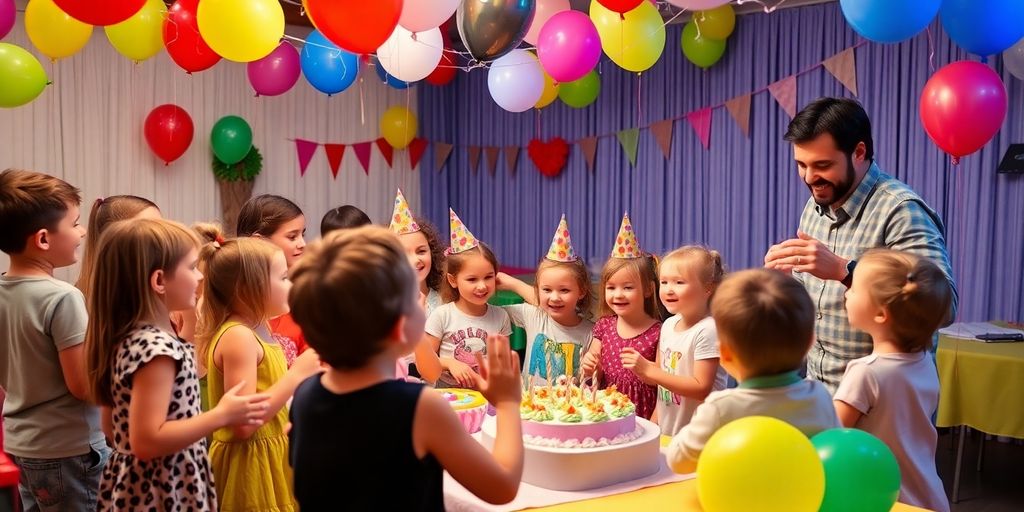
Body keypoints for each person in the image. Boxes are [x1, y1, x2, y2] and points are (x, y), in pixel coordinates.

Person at [288, 226, 524, 509]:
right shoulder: (420, 407)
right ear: (400, 328)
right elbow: (502, 487)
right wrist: (509, 403)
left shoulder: (304, 397)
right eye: (416, 300)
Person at [763, 97, 956, 393]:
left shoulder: (901, 210)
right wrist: (786, 286)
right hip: (822, 395)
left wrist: (846, 270)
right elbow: (817, 305)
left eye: (823, 165)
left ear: (859, 152)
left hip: (885, 403)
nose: (810, 177)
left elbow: (942, 308)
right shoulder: (815, 205)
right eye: (801, 165)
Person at [84, 219, 269, 510]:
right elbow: (146, 440)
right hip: (164, 488)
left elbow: (110, 426)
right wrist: (221, 414)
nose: (199, 278)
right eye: (192, 267)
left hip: (138, 483)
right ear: (159, 281)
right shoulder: (157, 350)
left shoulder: (127, 339)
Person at [0, 168, 107, 511]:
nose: (83, 231)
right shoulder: (62, 297)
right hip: (69, 449)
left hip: (23, 444)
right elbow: (83, 386)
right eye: (75, 223)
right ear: (43, 239)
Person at [666, 269, 839, 474]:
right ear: (811, 342)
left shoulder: (720, 408)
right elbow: (831, 452)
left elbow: (678, 461)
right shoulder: (819, 396)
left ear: (725, 354)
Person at [196, 233, 322, 512]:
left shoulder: (259, 326)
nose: (290, 286)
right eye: (283, 278)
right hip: (250, 465)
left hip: (272, 455)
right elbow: (242, 424)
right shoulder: (238, 336)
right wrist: (295, 376)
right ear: (247, 289)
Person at [834, 249, 952, 512]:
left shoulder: (866, 372)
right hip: (930, 497)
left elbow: (829, 431)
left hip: (889, 500)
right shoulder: (924, 361)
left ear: (880, 314)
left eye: (854, 289)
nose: (846, 293)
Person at [623, 246, 729, 436]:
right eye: (664, 282)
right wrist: (653, 427)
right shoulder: (668, 325)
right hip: (669, 432)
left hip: (701, 436)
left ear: (708, 288)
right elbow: (661, 378)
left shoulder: (708, 329)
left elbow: (700, 388)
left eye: (679, 282)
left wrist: (648, 370)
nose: (669, 290)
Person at [580, 213, 662, 420]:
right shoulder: (604, 326)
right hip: (606, 414)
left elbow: (663, 382)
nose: (618, 295)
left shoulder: (660, 332)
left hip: (642, 416)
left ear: (648, 289)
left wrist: (645, 370)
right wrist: (591, 367)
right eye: (611, 287)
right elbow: (593, 375)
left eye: (627, 287)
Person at [496, 215, 595, 378]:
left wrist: (592, 369)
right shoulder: (533, 315)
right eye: (547, 290)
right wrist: (508, 283)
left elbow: (591, 379)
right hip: (529, 403)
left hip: (569, 403)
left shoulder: (591, 333)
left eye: (564, 290)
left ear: (582, 291)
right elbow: (487, 311)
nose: (555, 297)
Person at [237, 194, 308, 363]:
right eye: (292, 237)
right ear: (258, 242)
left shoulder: (305, 299)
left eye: (302, 234)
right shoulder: (238, 310)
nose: (303, 243)